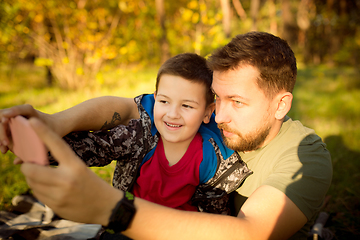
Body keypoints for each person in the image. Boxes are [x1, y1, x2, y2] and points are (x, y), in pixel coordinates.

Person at [0, 31, 332, 239]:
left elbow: (249, 233)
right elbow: (127, 109)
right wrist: (55, 123)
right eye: (216, 98)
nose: (219, 114)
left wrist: (113, 209)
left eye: (238, 102)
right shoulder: (203, 114)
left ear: (280, 105)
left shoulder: (305, 157)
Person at [47, 52, 251, 214]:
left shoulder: (210, 158)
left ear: (207, 112)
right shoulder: (139, 136)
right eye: (164, 101)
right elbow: (92, 147)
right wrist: (38, 143)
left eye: (187, 106)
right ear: (154, 100)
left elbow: (214, 214)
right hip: (131, 222)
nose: (172, 114)